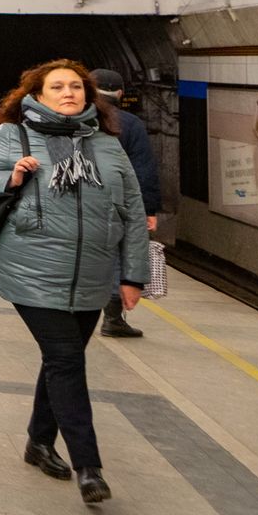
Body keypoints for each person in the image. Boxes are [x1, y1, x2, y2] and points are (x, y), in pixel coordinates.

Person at [0, 61, 151, 506]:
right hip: (32, 270)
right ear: (37, 95)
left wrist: (133, 274)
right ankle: (89, 466)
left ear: (89, 95)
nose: (69, 92)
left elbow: (132, 212)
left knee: (61, 360)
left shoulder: (107, 145)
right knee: (66, 360)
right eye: (57, 86)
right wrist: (11, 175)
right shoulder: (14, 136)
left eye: (76, 87)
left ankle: (38, 442)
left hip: (92, 275)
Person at [91, 68, 161, 339]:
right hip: (116, 203)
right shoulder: (130, 124)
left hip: (75, 201)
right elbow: (143, 170)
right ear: (120, 94)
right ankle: (112, 319)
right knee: (118, 256)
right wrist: (149, 209)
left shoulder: (69, 116)